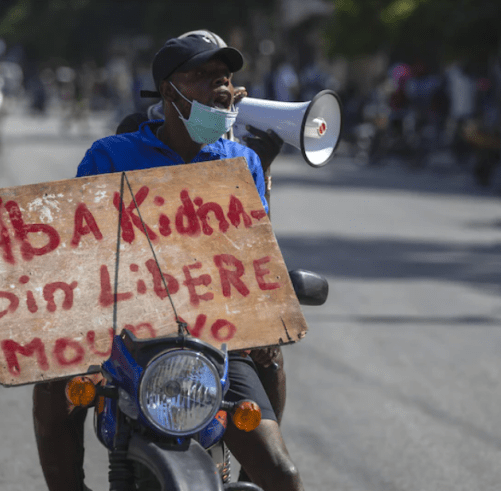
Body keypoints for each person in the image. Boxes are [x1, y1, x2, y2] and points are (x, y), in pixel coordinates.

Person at [33, 34, 304, 491]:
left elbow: (252, 261)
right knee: (52, 384)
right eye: (199, 77)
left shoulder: (243, 162)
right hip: (123, 342)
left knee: (283, 475)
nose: (217, 87)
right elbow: (78, 258)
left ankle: (244, 481)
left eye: (223, 78)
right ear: (168, 92)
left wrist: (265, 317)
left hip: (215, 344)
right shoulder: (109, 157)